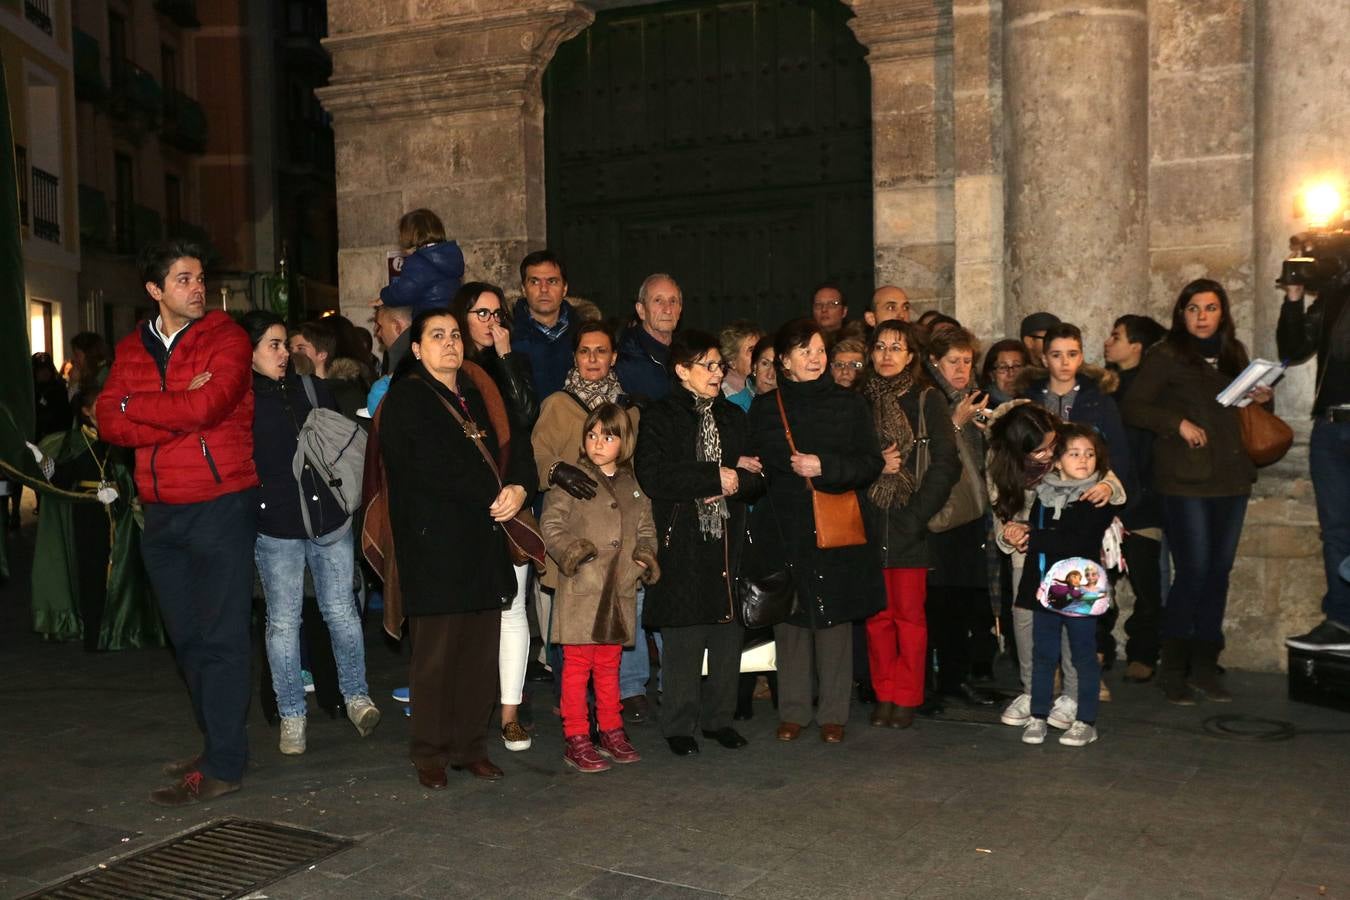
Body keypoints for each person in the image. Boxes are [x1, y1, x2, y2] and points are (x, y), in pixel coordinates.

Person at [96, 239, 259, 806]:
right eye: (184, 279)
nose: (198, 288)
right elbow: (106, 421)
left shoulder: (227, 338)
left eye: (200, 278)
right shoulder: (131, 347)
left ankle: (224, 764)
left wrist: (138, 405)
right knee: (187, 639)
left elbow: (206, 409)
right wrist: (165, 404)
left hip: (220, 504)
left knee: (222, 637)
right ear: (155, 290)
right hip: (160, 512)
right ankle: (219, 741)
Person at [378, 308, 537, 788]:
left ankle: (471, 747)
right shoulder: (405, 399)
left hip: (483, 545)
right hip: (436, 548)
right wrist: (492, 492)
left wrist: (519, 489)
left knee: (479, 656)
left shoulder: (478, 393)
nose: (449, 343)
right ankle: (429, 752)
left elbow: (518, 447)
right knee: (436, 659)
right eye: (437, 336)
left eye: (454, 335)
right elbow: (425, 469)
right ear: (418, 348)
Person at [1122, 279, 1270, 704]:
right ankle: (1174, 668)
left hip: (1231, 477)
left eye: (1210, 308)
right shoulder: (1166, 355)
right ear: (1181, 314)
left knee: (1218, 573)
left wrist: (1262, 397)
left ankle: (1205, 666)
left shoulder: (1234, 353)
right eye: (1193, 309)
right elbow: (1135, 406)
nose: (1202, 317)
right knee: (1194, 570)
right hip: (1185, 482)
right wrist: (1177, 424)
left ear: (1222, 312)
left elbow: (1242, 413)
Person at [242, 311, 379, 755]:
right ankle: (291, 715)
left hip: (327, 519)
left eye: (288, 344)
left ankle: (357, 696)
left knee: (341, 610)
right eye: (275, 345)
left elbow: (339, 448)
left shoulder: (313, 389)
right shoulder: (240, 401)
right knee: (283, 622)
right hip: (276, 526)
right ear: (251, 351)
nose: (287, 353)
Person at [747, 319, 884, 744]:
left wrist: (825, 467)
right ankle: (792, 711)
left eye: (819, 350)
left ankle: (833, 714)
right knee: (789, 619)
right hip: (783, 526)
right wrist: (742, 472)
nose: (815, 358)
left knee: (833, 620)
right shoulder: (767, 408)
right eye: (804, 351)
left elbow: (870, 463)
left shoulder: (850, 405)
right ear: (784, 361)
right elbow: (760, 471)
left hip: (834, 522)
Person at [635, 331, 763, 755]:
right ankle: (679, 726)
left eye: (718, 365)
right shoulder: (661, 416)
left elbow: (757, 476)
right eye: (706, 365)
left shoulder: (733, 417)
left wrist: (734, 480)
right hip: (682, 538)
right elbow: (654, 476)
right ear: (681, 370)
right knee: (685, 637)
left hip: (727, 538)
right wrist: (712, 476)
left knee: (726, 637)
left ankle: (719, 720)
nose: (715, 373)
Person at [989, 404, 1123, 729]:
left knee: (1074, 630)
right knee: (1027, 622)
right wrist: (1011, 535)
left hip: (1069, 553)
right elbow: (1000, 508)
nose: (1051, 453)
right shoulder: (999, 461)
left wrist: (1107, 486)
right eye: (1041, 450)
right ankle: (1035, 693)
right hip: (1031, 545)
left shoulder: (1066, 441)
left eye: (1053, 445)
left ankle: (1073, 699)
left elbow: (1101, 469)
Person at [542, 402, 657, 771]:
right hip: (581, 587)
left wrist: (644, 556)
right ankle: (576, 736)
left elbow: (646, 529)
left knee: (610, 666)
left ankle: (611, 729)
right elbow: (551, 526)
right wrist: (574, 553)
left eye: (607, 436)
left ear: (624, 442)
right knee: (577, 667)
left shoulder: (634, 485)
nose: (597, 442)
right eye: (592, 435)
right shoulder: (572, 479)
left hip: (618, 589)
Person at [449, 281, 538, 752]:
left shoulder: (513, 362)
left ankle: (509, 711)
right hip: (467, 505)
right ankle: (468, 707)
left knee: (513, 606)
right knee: (469, 609)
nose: (490, 322)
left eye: (497, 313)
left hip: (511, 496)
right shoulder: (447, 369)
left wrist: (504, 357)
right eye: (480, 313)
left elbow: (525, 419)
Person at [860, 320, 960, 729]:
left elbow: (946, 463)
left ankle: (907, 696)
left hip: (909, 520)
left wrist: (918, 512)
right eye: (880, 347)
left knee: (909, 618)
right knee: (876, 618)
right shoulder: (857, 400)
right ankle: (883, 694)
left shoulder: (926, 398)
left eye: (896, 348)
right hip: (868, 521)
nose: (886, 355)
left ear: (912, 357)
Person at [31, 381, 162, 651]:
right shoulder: (74, 442)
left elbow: (132, 477)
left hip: (117, 517)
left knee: (119, 572)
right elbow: (62, 479)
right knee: (90, 572)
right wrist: (44, 462)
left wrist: (119, 491)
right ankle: (93, 634)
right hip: (87, 514)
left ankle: (119, 629)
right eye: (99, 405)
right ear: (87, 411)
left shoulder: (118, 440)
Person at [923, 326, 998, 704]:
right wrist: (955, 422)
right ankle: (943, 680)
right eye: (953, 361)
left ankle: (958, 676)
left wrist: (985, 429)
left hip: (970, 513)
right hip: (943, 513)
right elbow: (927, 454)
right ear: (935, 361)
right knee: (942, 602)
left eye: (967, 361)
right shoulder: (931, 397)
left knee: (966, 599)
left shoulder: (970, 396)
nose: (961, 368)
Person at [1278, 267, 1350, 652]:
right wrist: (1294, 296)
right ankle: (1342, 621)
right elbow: (1292, 350)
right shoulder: (1335, 293)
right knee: (1336, 532)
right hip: (1331, 425)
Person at [1104, 314, 1168, 681]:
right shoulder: (1103, 388)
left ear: (1137, 347)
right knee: (1099, 579)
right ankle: (1099, 647)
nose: (1108, 342)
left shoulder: (1154, 391)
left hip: (1144, 498)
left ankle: (1144, 653)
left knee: (1146, 582)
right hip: (1107, 496)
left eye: (1116, 336)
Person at [511, 250, 579, 399]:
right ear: (523, 289)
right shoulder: (508, 336)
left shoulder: (584, 334)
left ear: (565, 288)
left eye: (552, 281)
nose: (543, 289)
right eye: (534, 282)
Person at [616, 273, 682, 405]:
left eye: (673, 301)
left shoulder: (690, 354)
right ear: (641, 310)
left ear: (680, 310)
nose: (668, 309)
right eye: (658, 300)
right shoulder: (624, 360)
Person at [718, 320, 762, 412]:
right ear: (731, 360)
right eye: (751, 350)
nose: (759, 355)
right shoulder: (728, 397)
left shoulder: (750, 384)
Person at [33, 352, 72, 439]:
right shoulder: (31, 392)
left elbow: (65, 416)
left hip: (56, 437)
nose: (45, 372)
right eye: (41, 369)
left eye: (47, 368)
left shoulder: (59, 389)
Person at [981, 339, 1031, 405]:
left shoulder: (1036, 402)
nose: (1011, 373)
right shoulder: (980, 407)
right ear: (992, 375)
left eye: (1016, 366)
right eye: (1003, 367)